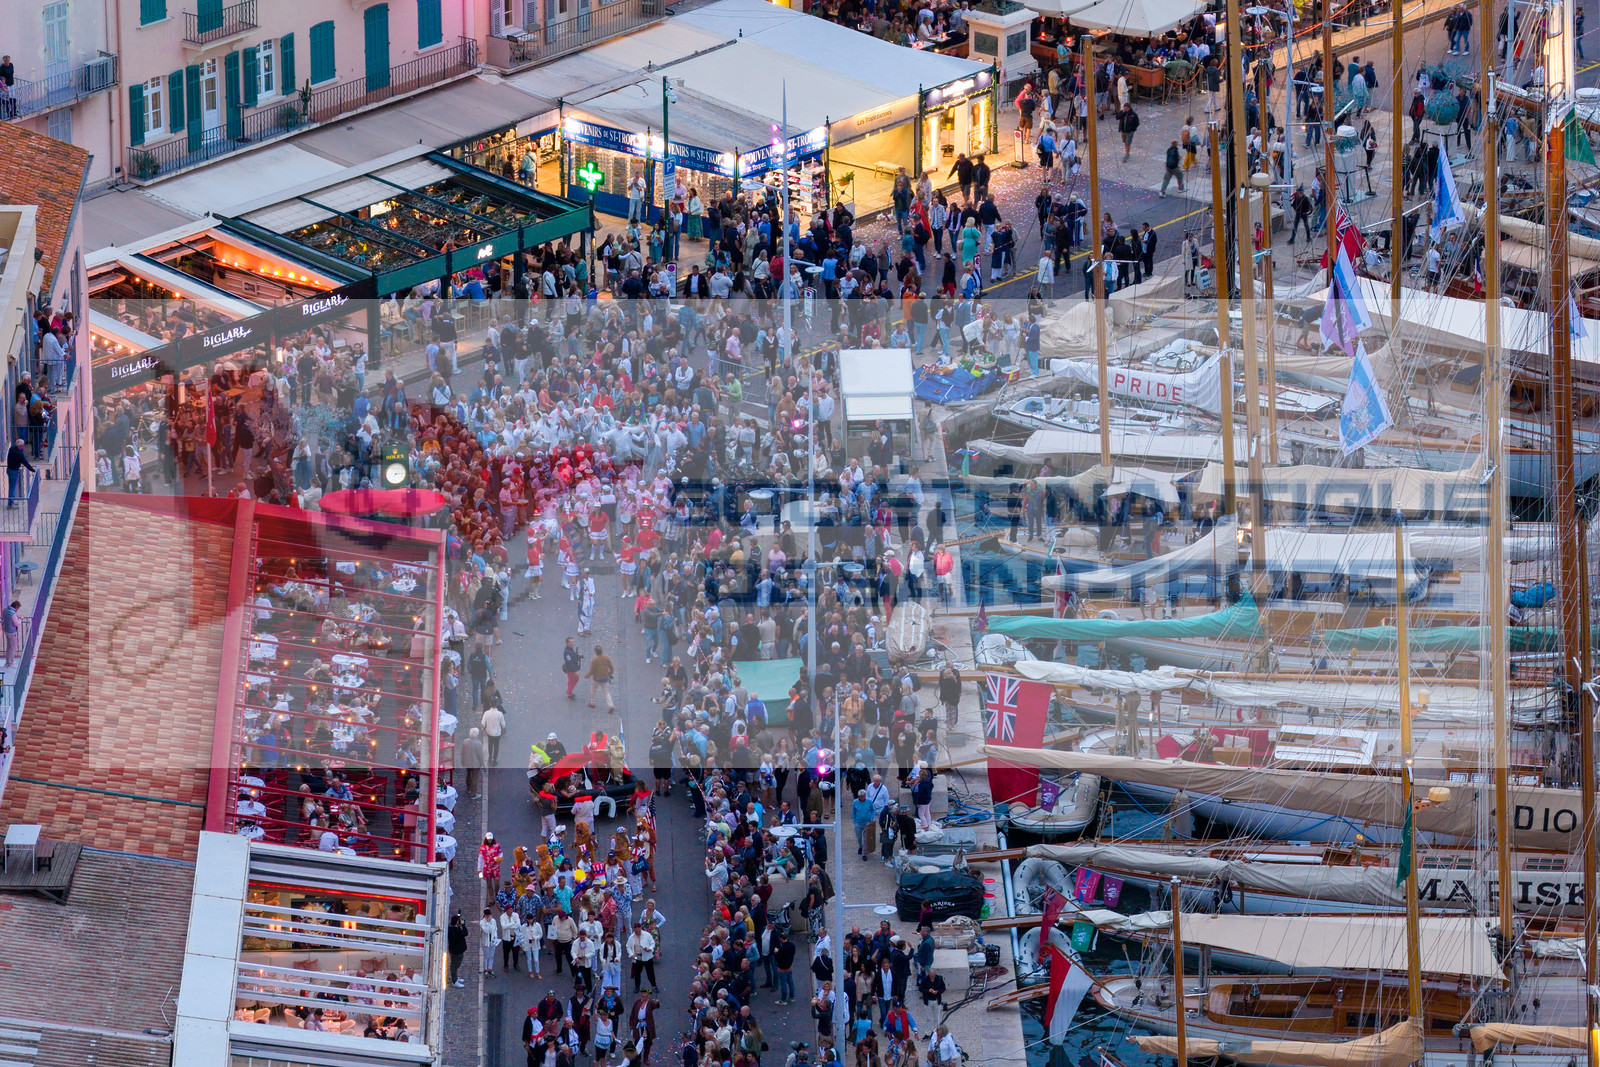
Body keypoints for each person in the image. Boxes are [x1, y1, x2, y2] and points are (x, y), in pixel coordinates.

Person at [586, 644, 616, 711]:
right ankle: (611, 705)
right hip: (605, 678)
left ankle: (592, 703)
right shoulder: (606, 658)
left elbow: (591, 671)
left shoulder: (594, 661)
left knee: (593, 690)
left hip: (596, 679)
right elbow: (611, 667)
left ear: (595, 652)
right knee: (606, 692)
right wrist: (609, 673)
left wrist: (587, 675)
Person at [6, 437, 32, 509]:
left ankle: (11, 501)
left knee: (11, 487)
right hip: (14, 471)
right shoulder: (19, 453)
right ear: (20, 446)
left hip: (9, 470)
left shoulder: (12, 448)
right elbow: (25, 462)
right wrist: (32, 470)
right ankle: (11, 504)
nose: (23, 447)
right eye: (22, 446)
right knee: (12, 488)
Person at [2, 599, 19, 668]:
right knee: (13, 647)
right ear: (16, 606)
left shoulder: (5, 610)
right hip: (12, 632)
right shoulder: (13, 613)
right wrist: (20, 620)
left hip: (6, 630)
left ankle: (7, 661)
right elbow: (16, 623)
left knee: (8, 647)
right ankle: (11, 662)